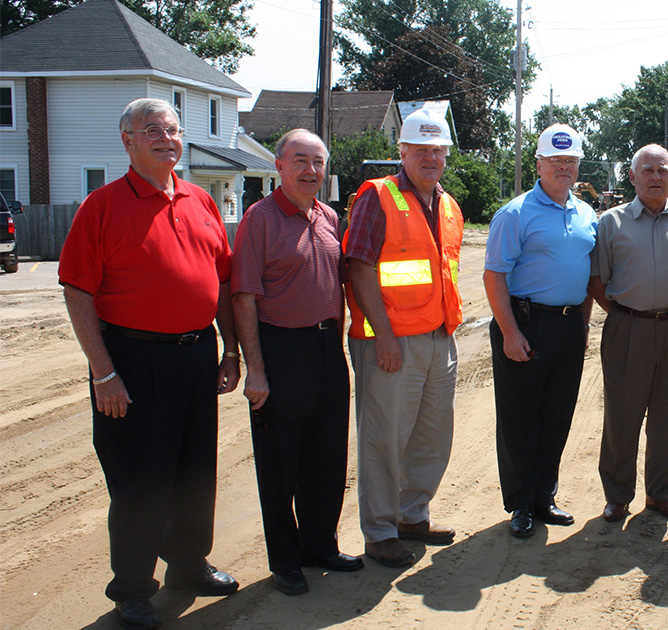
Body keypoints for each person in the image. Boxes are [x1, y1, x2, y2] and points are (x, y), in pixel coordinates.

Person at [59, 97, 240, 630]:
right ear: (128, 142)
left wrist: (229, 351)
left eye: (173, 129)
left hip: (195, 355)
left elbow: (224, 282)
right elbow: (78, 292)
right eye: (152, 130)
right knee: (141, 481)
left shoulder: (201, 200)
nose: (166, 138)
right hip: (133, 361)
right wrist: (104, 372)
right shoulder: (103, 206)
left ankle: (189, 564)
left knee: (193, 469)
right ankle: (134, 588)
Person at [231, 129, 361, 596]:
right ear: (279, 167)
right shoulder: (259, 219)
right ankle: (286, 561)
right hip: (281, 351)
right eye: (300, 161)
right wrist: (257, 369)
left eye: (319, 162)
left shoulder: (327, 215)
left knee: (327, 458)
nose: (311, 170)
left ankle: (320, 546)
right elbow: (243, 296)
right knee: (280, 464)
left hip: (327, 351)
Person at [343, 108, 464, 566]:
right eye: (422, 150)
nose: (431, 158)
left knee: (431, 436)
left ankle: (413, 516)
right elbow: (359, 266)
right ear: (403, 152)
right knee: (384, 439)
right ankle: (379, 531)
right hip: (390, 342)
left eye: (439, 150)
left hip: (438, 337)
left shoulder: (448, 205)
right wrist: (385, 336)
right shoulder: (379, 196)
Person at [484, 123, 597, 538]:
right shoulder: (515, 213)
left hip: (568, 325)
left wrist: (582, 325)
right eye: (555, 160)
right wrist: (510, 333)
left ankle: (544, 496)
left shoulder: (586, 214)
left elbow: (587, 275)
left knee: (557, 415)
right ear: (539, 163)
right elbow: (494, 276)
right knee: (520, 417)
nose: (563, 167)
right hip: (525, 323)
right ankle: (520, 504)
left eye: (570, 160)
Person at [589, 144, 668, 523]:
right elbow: (598, 280)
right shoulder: (611, 223)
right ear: (632, 177)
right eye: (646, 170)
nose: (655, 176)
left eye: (662, 170)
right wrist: (627, 314)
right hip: (626, 328)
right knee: (622, 415)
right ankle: (618, 495)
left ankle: (661, 494)